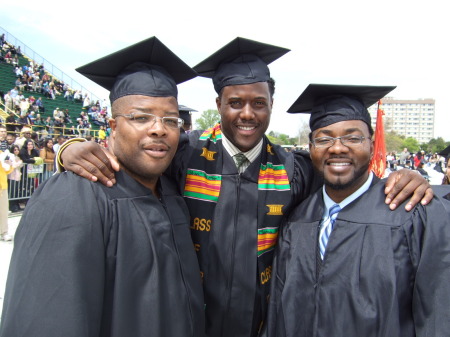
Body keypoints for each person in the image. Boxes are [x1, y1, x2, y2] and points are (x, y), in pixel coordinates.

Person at [57, 38, 432, 337]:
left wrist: (405, 180)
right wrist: (68, 149)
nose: (247, 114)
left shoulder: (295, 169)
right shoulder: (183, 155)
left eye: (258, 103)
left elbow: (348, 178)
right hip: (191, 320)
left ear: (271, 105)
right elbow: (132, 160)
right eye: (235, 103)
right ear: (218, 104)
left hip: (262, 321)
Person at [0, 36, 205, 337]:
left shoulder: (173, 191)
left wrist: (65, 147)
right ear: (112, 127)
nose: (159, 128)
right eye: (140, 117)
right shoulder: (74, 196)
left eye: (171, 120)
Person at [264, 84, 450, 337]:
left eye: (353, 138)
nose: (338, 148)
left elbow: (437, 314)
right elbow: (278, 312)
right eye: (324, 138)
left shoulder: (411, 213)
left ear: (372, 145)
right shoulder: (297, 221)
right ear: (311, 148)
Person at [0, 148, 14, 241]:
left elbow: (6, 171)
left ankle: (4, 232)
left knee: (3, 211)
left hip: (2, 186)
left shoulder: (2, 154)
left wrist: (10, 165)